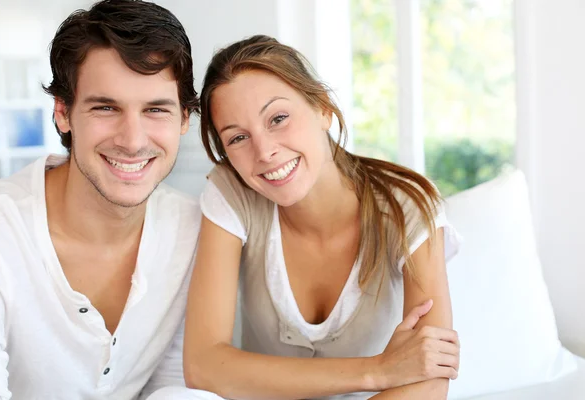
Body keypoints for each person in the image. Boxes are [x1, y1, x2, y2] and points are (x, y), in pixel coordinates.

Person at [183, 35, 462, 399]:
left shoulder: (407, 205)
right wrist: (378, 370)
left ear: (323, 108)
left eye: (278, 118)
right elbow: (203, 367)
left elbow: (431, 374)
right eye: (237, 138)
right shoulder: (233, 192)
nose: (264, 151)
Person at [0, 1, 219, 399]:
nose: (132, 140)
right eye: (106, 107)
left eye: (155, 109)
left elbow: (173, 384)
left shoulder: (194, 228)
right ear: (63, 112)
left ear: (184, 118)